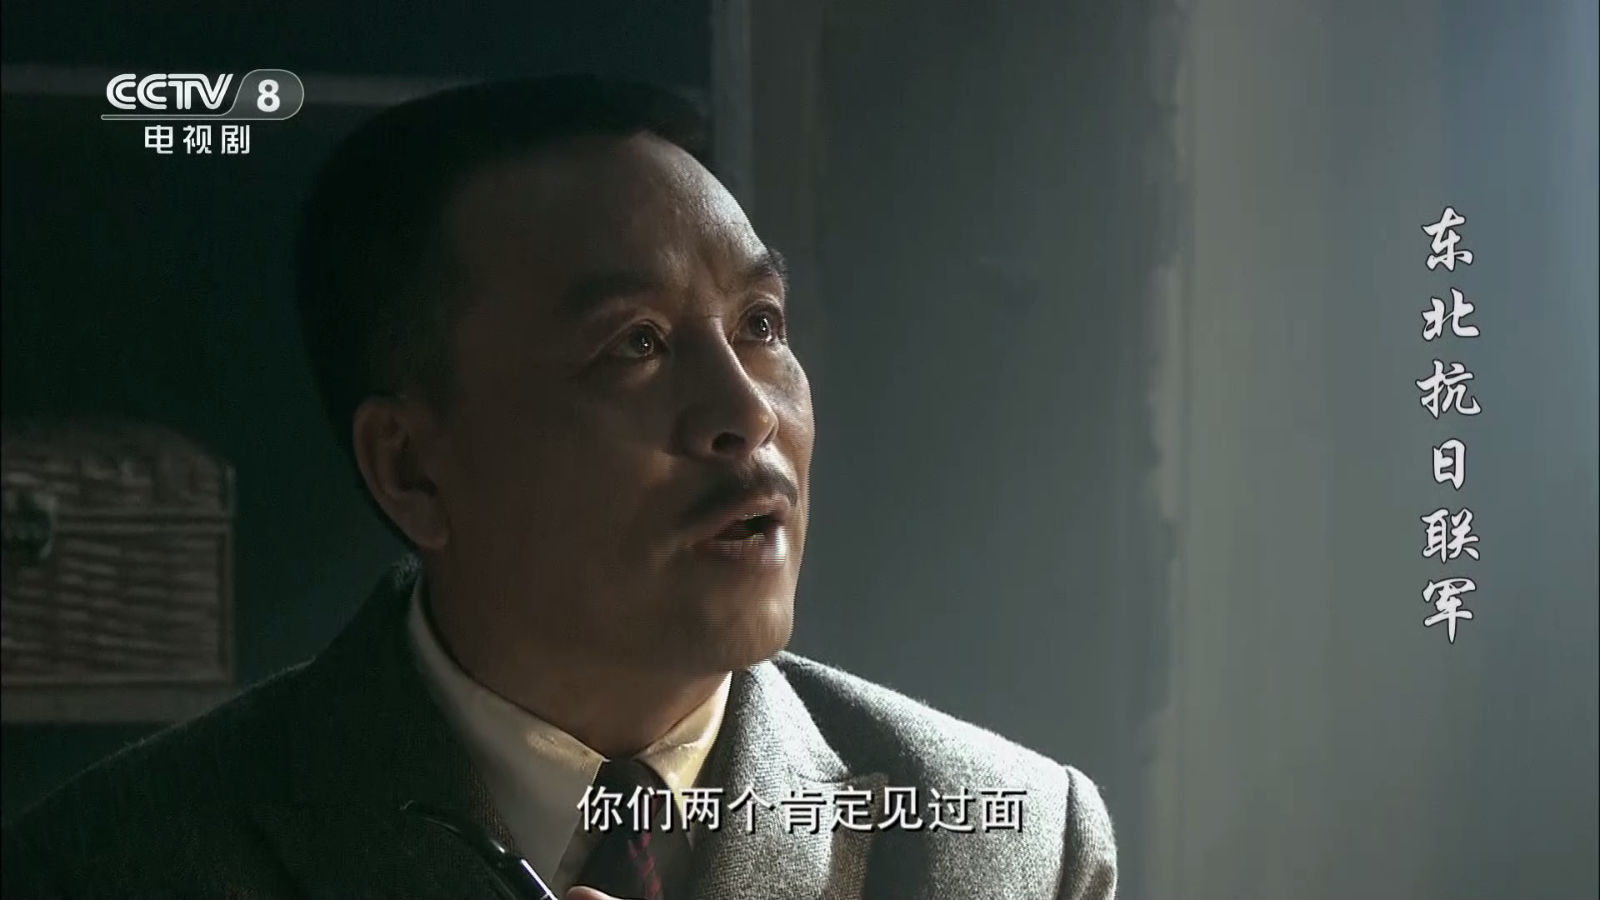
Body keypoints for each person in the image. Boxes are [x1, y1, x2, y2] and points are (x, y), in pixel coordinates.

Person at [0, 76, 1117, 900]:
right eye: (634, 344)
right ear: (411, 467)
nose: (745, 412)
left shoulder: (1012, 846)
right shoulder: (110, 867)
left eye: (761, 326)